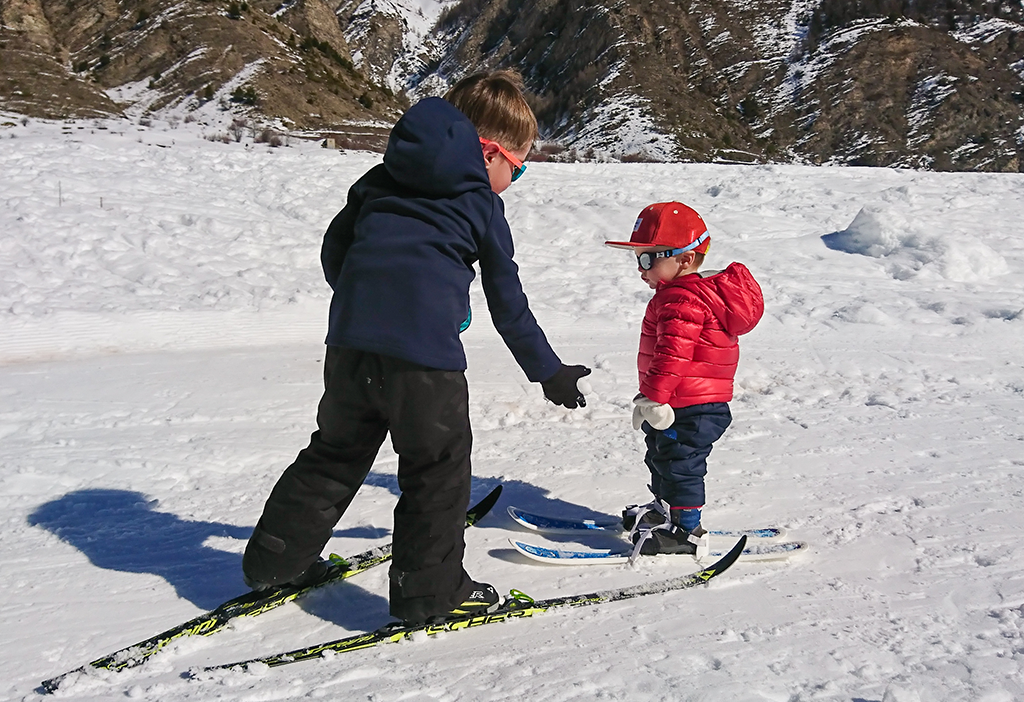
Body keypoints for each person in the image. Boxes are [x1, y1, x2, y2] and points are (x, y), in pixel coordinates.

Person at [242, 71, 591, 624]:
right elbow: (508, 302)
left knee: (334, 452)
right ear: (489, 153)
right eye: (516, 170)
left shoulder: (379, 178)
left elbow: (337, 250)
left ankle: (275, 562)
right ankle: (429, 592)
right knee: (437, 470)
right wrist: (549, 371)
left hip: (351, 345)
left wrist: (370, 303)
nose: (512, 182)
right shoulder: (480, 204)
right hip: (426, 361)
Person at [605, 202, 763, 560]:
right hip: (681, 400)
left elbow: (674, 353)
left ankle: (686, 531)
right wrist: (651, 396)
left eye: (648, 260)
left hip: (690, 404)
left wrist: (655, 397)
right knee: (661, 457)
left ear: (685, 260)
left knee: (680, 465)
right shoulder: (683, 295)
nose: (641, 270)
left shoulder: (682, 299)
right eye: (638, 260)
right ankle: (665, 512)